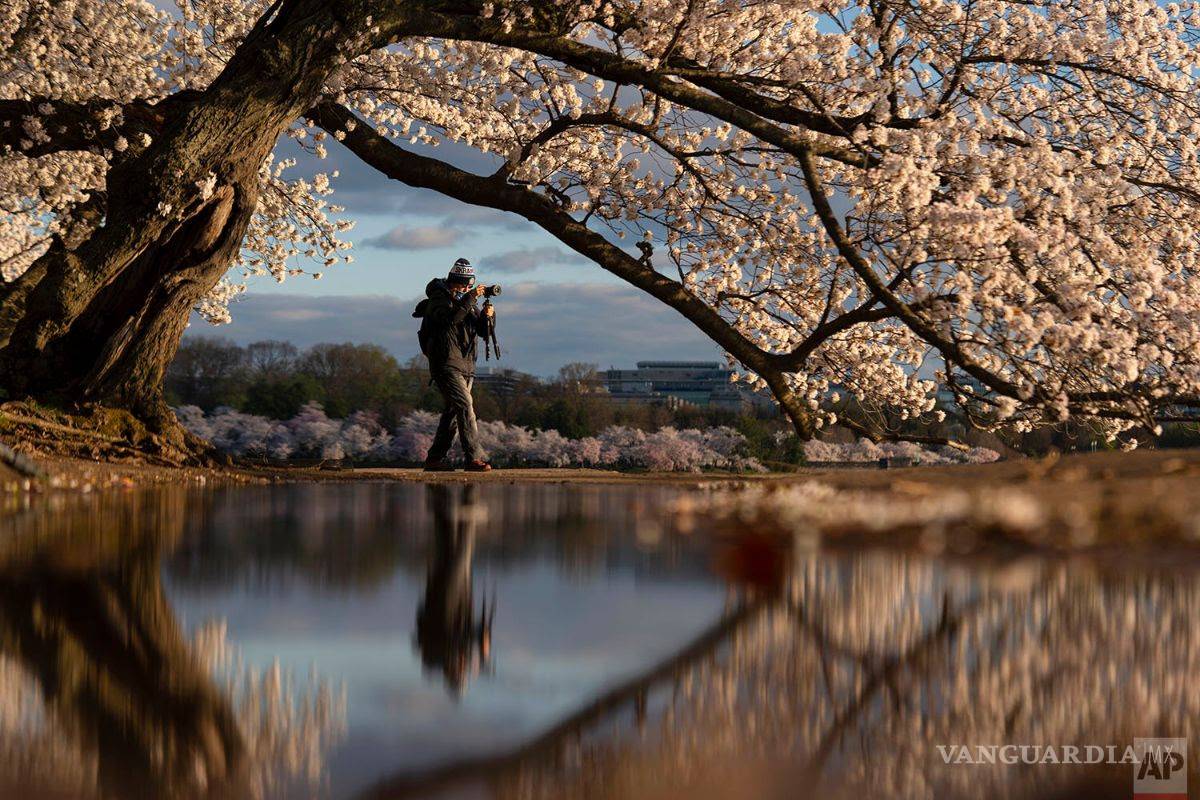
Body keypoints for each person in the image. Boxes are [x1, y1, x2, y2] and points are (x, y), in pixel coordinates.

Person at [414, 257, 494, 472]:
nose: (468, 287)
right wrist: (470, 298)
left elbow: (482, 332)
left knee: (453, 411)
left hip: (466, 365)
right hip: (445, 363)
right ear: (454, 281)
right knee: (465, 406)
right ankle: (474, 458)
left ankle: (434, 459)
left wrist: (488, 318)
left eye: (470, 284)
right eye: (465, 283)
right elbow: (451, 319)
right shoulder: (439, 299)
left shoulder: (466, 301)